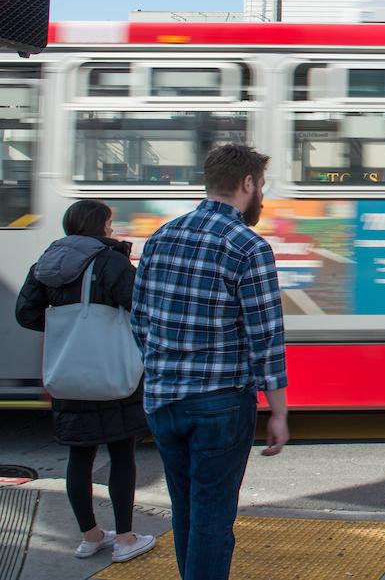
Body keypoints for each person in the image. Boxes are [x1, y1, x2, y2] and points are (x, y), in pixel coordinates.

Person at [132, 145, 289, 580]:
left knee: (185, 511)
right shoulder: (248, 247)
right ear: (247, 184)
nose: (261, 194)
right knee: (213, 518)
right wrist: (278, 411)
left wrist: (165, 368)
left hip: (162, 400)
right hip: (219, 404)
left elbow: (140, 320)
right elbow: (266, 337)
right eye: (261, 186)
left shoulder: (160, 237)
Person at [15, 200, 158, 563]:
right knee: (122, 454)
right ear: (100, 226)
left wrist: (68, 332)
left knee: (79, 456)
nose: (112, 228)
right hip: (110, 372)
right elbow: (140, 308)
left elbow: (26, 313)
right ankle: (125, 538)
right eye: (110, 222)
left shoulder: (47, 263)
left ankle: (90, 536)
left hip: (69, 374)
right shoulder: (111, 261)